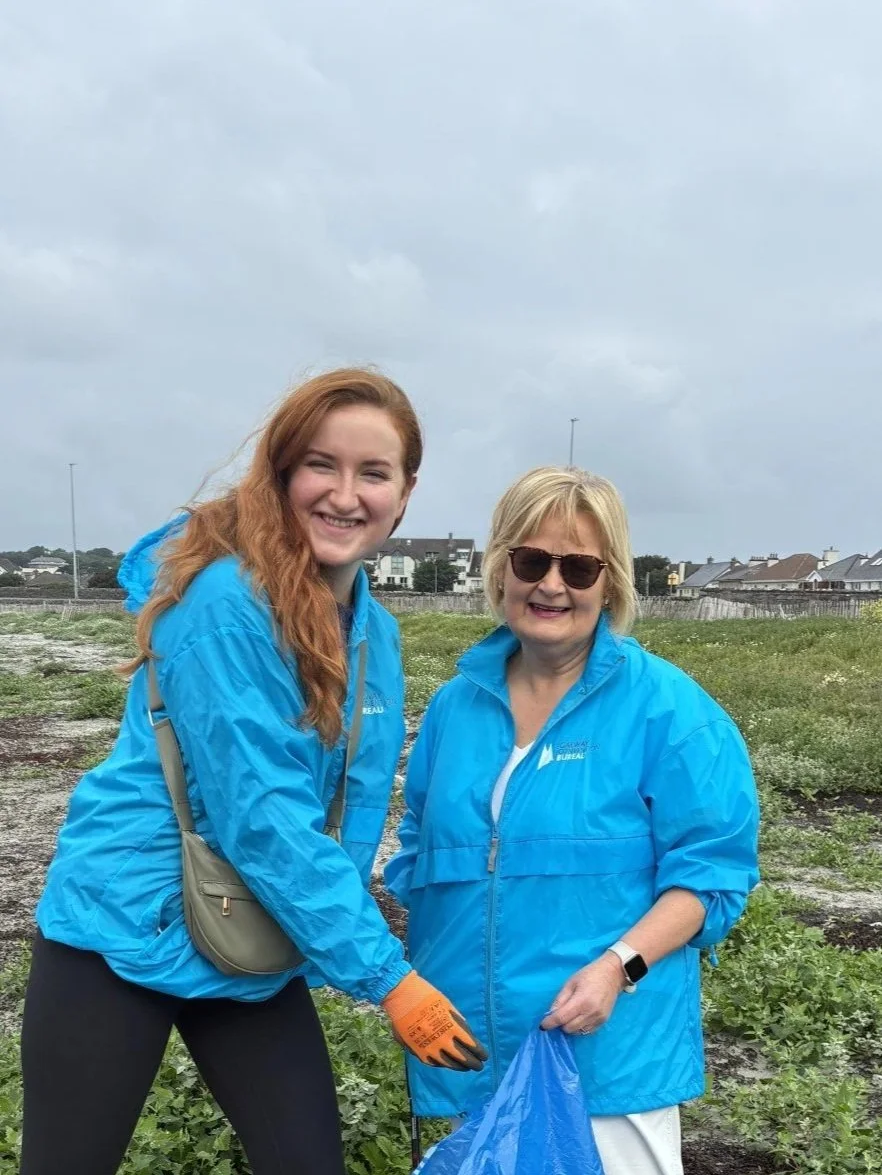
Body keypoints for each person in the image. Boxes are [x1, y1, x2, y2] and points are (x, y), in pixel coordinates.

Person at [21, 368, 485, 1175]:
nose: (345, 494)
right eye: (321, 465)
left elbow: (356, 802)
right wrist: (387, 978)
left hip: (253, 931)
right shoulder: (223, 603)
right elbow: (262, 818)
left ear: (404, 495)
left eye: (373, 473)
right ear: (281, 474)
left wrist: (336, 929)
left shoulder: (375, 631)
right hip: (126, 925)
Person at [385, 465, 760, 1175]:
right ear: (500, 569)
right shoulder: (453, 710)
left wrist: (619, 969)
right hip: (465, 1055)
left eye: (579, 566)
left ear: (611, 581)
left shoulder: (671, 712)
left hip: (603, 1058)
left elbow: (711, 877)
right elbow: (418, 857)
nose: (551, 584)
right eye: (531, 560)